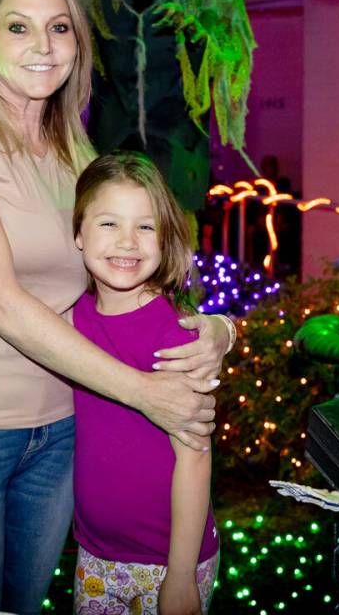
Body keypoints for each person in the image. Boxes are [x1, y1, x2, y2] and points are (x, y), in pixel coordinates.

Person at [0, 0, 235, 615]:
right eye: (19, 27)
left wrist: (216, 328)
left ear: (77, 46)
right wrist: (144, 393)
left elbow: (123, 274)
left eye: (59, 28)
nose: (43, 45)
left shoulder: (73, 155)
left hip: (58, 433)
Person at [71, 151, 218, 615]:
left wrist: (179, 575)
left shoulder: (174, 334)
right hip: (95, 554)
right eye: (109, 224)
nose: (128, 242)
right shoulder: (70, 320)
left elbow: (195, 461)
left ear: (165, 237)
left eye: (146, 226)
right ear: (78, 233)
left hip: (168, 562)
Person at [64, 0, 256, 214]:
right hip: (107, 140)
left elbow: (234, 59)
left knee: (168, 248)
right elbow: (65, 35)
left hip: (176, 147)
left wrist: (201, 39)